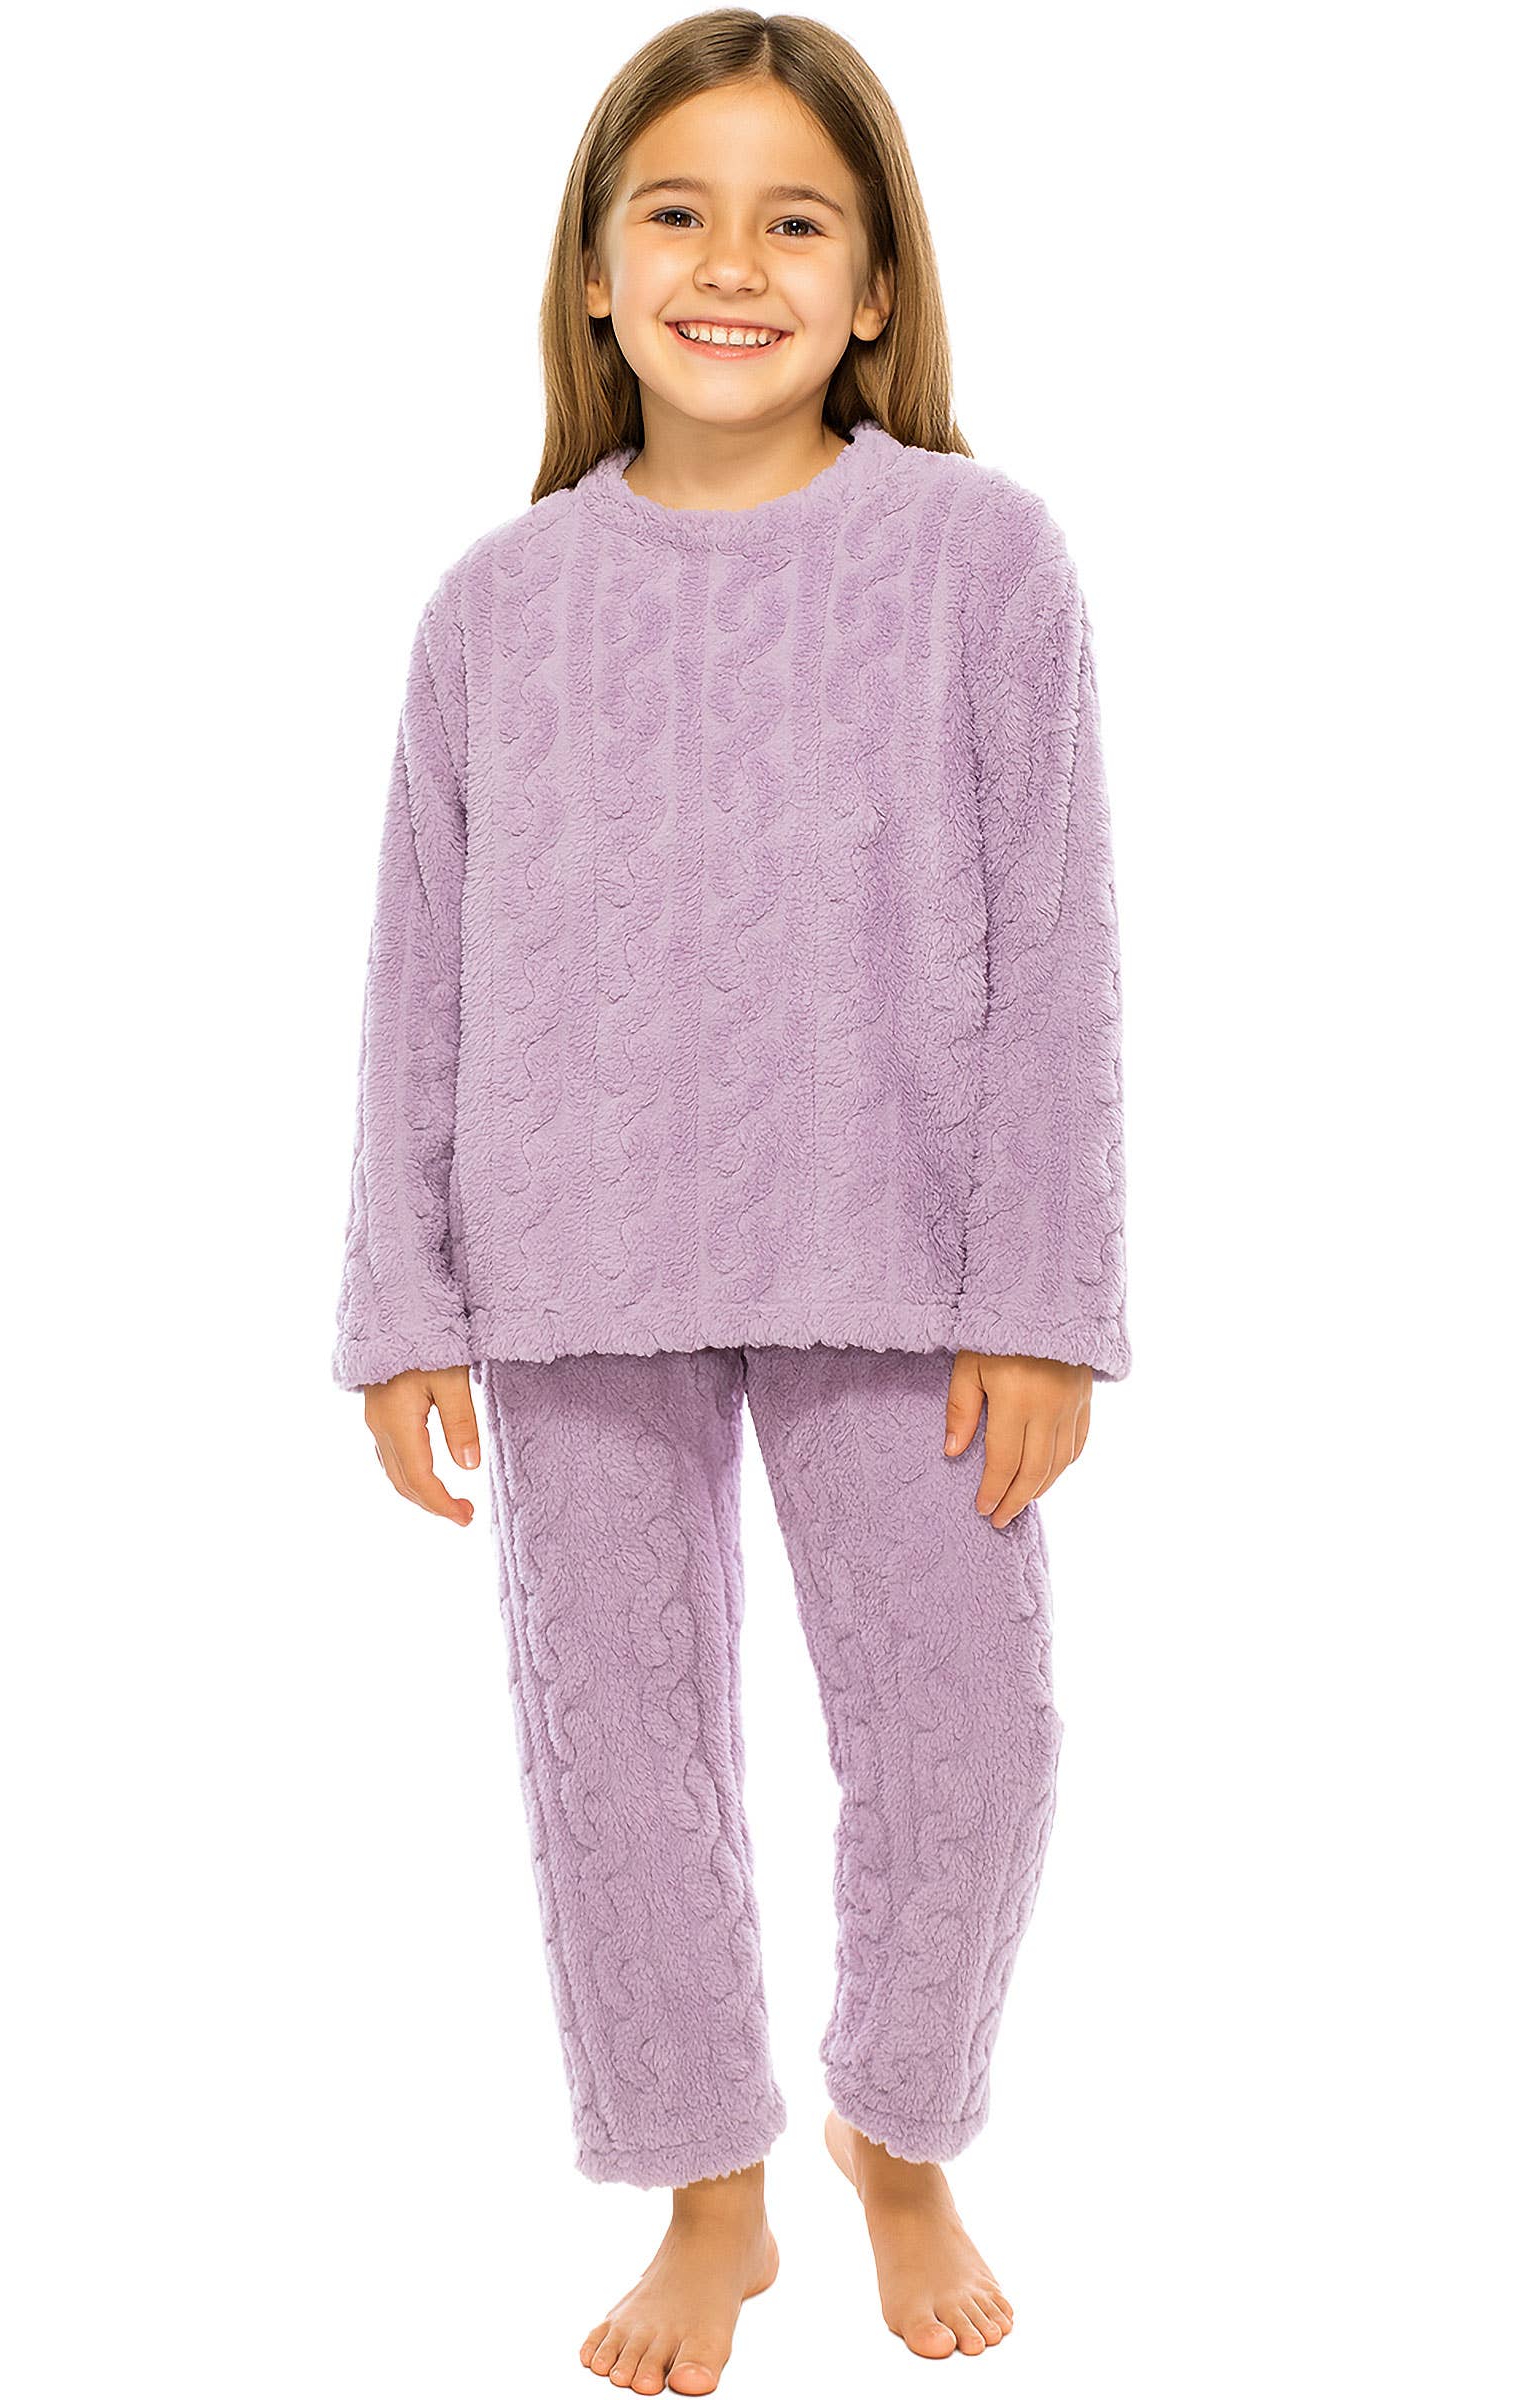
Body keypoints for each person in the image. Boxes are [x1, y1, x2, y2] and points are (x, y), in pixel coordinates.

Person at [331, 12, 1130, 2390]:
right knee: (619, 1760)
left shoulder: (982, 559)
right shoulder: (491, 606)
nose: (729, 264)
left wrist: (1043, 1293)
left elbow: (1057, 943)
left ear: (874, 287)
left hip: (904, 1250)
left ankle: (895, 2119)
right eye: (674, 213)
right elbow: (415, 964)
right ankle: (709, 2193)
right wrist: (400, 1297)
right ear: (591, 271)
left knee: (970, 1743)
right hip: (570, 1267)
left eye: (794, 221)